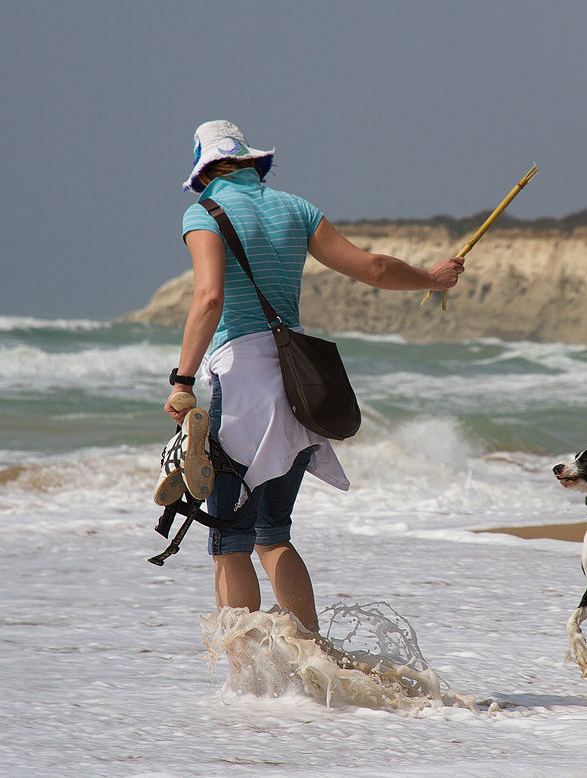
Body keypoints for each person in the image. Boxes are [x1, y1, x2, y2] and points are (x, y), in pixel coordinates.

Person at [164, 120, 464, 634]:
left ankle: (247, 681)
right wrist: (431, 278)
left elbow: (209, 297)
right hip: (297, 385)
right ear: (251, 162)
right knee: (273, 536)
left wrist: (183, 380)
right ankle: (312, 658)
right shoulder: (295, 208)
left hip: (242, 390)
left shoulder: (203, 213)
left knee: (229, 541)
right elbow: (371, 268)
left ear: (201, 171)